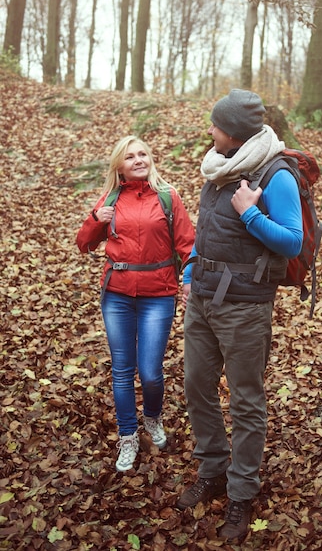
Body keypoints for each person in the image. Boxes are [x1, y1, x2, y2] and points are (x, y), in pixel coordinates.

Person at [177, 89, 303, 542]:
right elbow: (207, 232)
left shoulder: (277, 173)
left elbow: (292, 241)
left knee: (246, 399)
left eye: (215, 125)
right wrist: (190, 271)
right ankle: (212, 471)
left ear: (233, 132)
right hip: (204, 298)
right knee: (196, 386)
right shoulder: (218, 167)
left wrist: (250, 214)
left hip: (246, 306)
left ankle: (241, 492)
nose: (209, 131)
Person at [77, 135, 195, 473]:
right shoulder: (111, 199)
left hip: (158, 294)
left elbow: (189, 244)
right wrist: (96, 218)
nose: (138, 160)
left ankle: (153, 418)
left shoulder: (168, 197)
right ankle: (128, 434)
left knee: (151, 372)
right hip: (117, 294)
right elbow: (84, 244)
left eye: (143, 153)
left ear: (151, 159)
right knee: (122, 371)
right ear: (120, 166)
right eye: (130, 157)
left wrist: (189, 278)